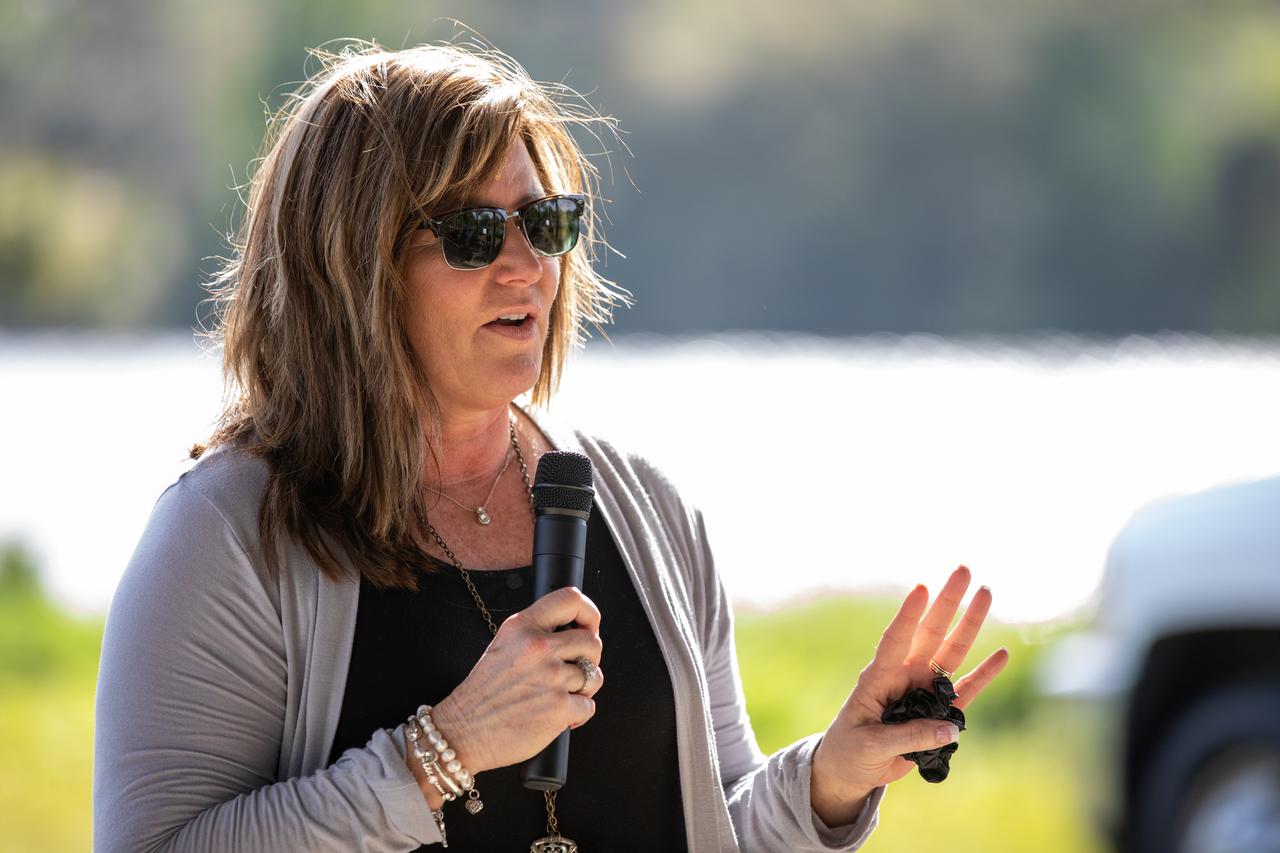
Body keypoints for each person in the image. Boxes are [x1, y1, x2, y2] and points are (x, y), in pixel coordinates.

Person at [93, 39, 1010, 852]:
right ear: (350, 268)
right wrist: (441, 751)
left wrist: (830, 777)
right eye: (474, 232)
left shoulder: (645, 508)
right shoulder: (226, 534)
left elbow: (714, 821)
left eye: (546, 223)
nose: (527, 264)